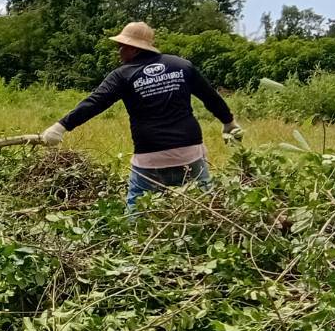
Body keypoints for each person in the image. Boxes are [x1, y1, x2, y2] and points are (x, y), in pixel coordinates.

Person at [40, 22, 243, 212]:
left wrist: (60, 127)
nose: (119, 52)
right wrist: (229, 123)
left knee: (136, 214)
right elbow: (210, 97)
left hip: (150, 158)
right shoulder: (182, 65)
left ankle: (133, 234)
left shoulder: (122, 75)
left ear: (134, 48)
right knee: (206, 206)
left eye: (122, 47)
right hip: (189, 153)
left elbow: (95, 103)